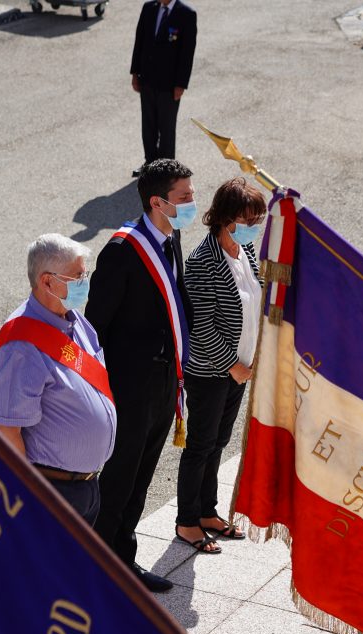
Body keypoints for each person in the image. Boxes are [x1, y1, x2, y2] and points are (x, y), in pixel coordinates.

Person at [86, 159, 196, 591]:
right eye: (184, 197)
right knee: (118, 478)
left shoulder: (172, 237)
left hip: (165, 382)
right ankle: (99, 566)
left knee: (143, 474)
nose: (192, 204)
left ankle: (123, 560)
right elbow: (96, 327)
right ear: (158, 202)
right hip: (129, 388)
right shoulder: (122, 250)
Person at [0, 234, 116, 525]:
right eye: (77, 276)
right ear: (47, 282)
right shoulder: (21, 346)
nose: (85, 281)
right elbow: (9, 430)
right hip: (53, 493)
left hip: (86, 485)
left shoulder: (75, 319)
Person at [176, 177, 264, 553]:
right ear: (227, 218)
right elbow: (203, 326)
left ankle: (208, 512)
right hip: (213, 372)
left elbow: (257, 293)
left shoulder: (245, 250)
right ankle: (187, 521)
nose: (253, 227)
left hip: (240, 369)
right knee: (200, 445)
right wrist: (233, 365)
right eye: (249, 219)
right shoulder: (202, 262)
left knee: (219, 442)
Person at [129, 0, 197, 177]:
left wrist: (181, 84)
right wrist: (135, 73)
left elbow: (187, 52)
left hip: (169, 84)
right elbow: (140, 41)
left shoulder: (186, 14)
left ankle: (166, 169)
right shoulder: (149, 8)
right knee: (148, 124)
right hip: (148, 79)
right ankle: (150, 164)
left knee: (166, 127)